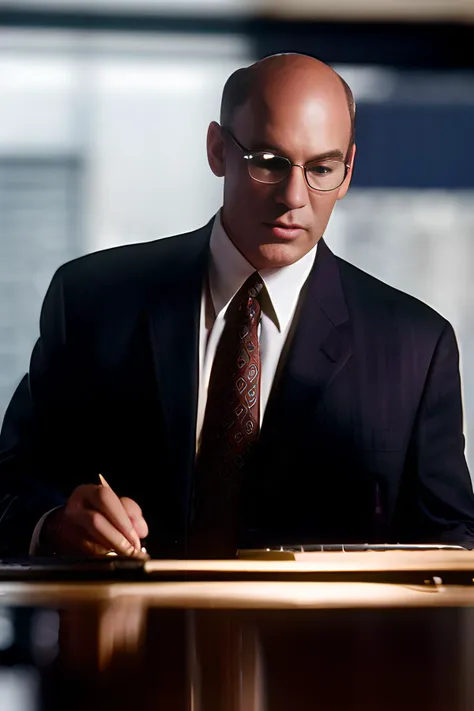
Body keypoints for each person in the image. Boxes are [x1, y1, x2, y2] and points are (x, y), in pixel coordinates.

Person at [0, 53, 473, 559]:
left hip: (326, 640)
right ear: (218, 150)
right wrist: (53, 526)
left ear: (348, 169)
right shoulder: (93, 301)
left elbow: (455, 544)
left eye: (321, 168)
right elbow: (9, 491)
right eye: (269, 162)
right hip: (126, 636)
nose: (295, 196)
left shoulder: (416, 346)